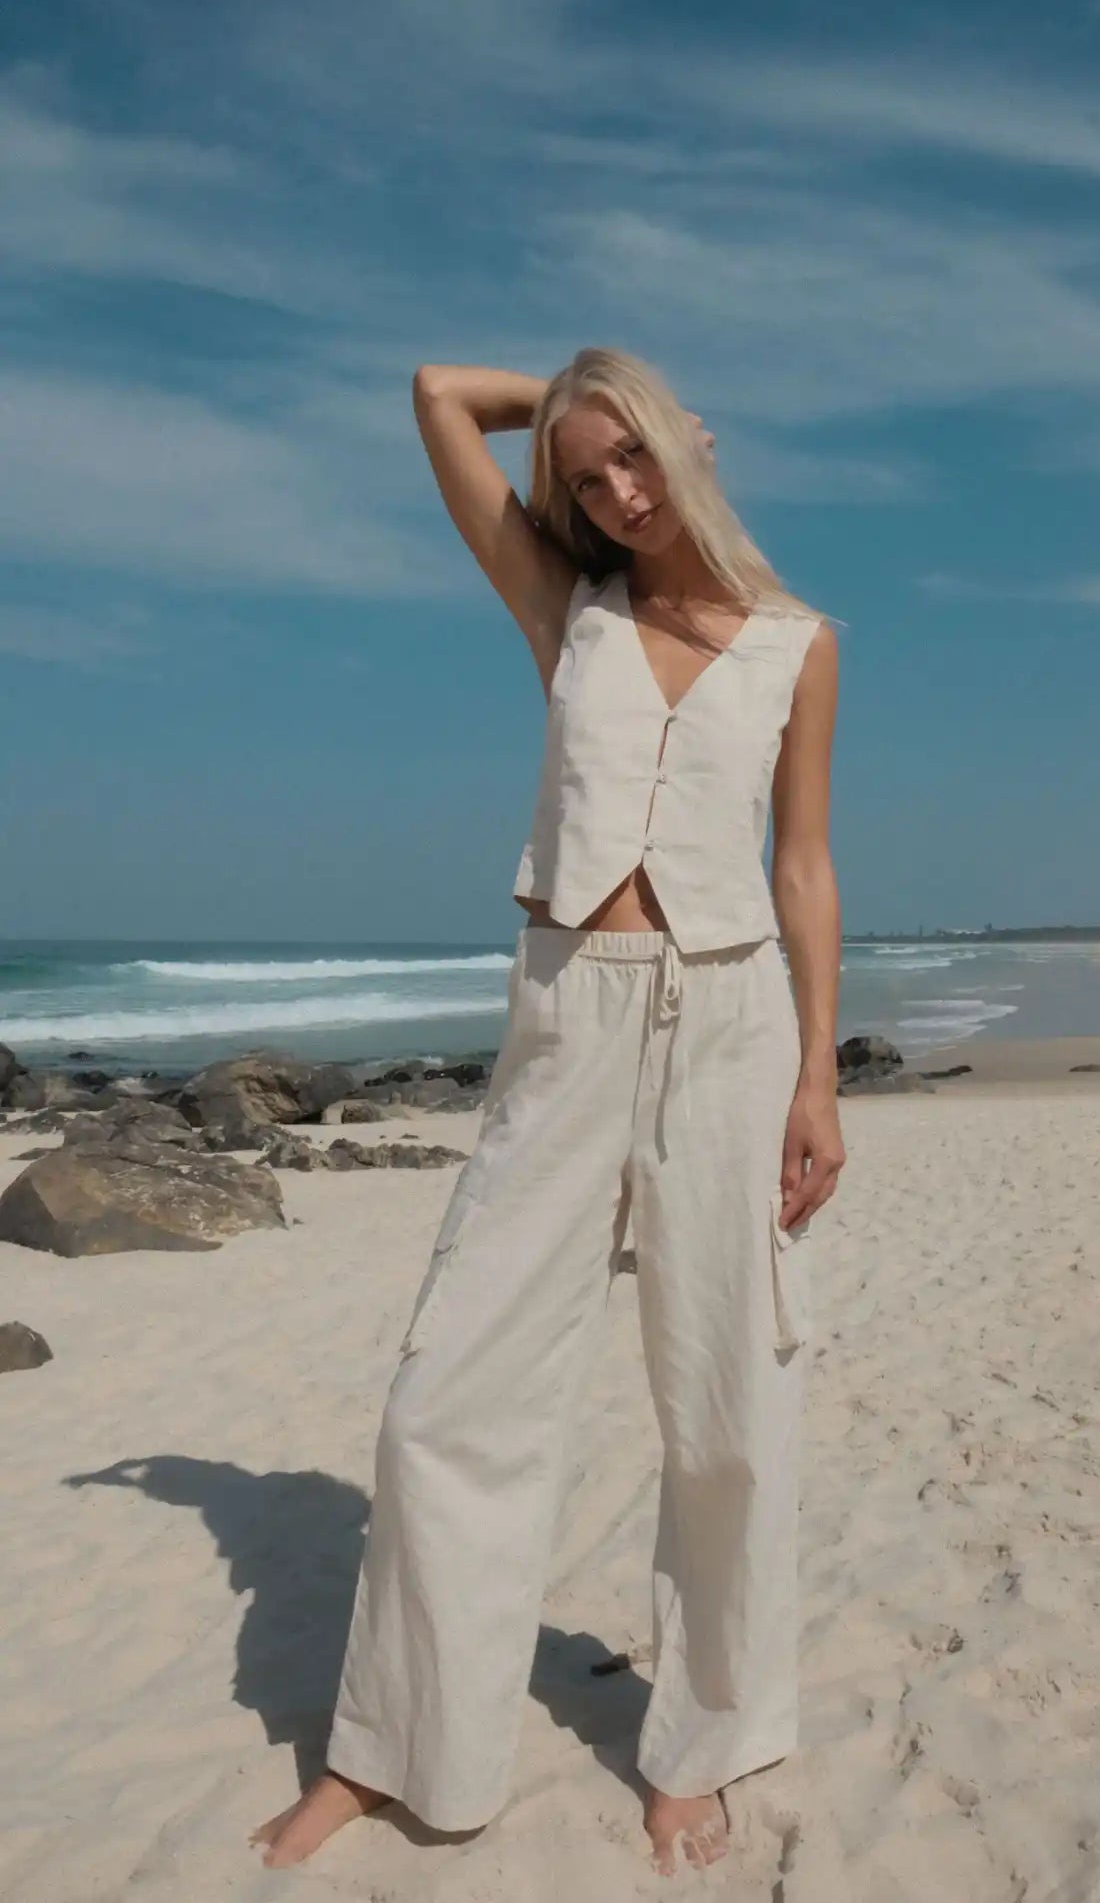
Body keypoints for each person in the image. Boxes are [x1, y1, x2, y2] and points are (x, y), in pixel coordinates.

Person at [251, 346, 845, 1877]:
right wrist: (583, 394)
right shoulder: (559, 605)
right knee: (449, 1396)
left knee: (727, 1405)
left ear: (683, 447)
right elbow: (438, 394)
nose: (614, 495)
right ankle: (393, 1757)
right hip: (569, 1016)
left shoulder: (797, 645)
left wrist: (817, 1076)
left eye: (633, 461)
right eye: (585, 477)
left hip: (728, 1022)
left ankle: (702, 1745)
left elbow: (800, 869)